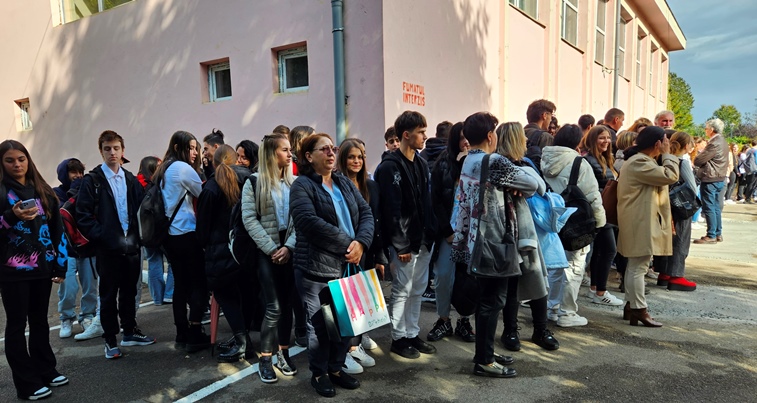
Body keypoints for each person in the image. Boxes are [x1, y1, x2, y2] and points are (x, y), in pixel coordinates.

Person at [450, 112, 539, 378]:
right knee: (493, 301)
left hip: (472, 240)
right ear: (491, 135)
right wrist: (515, 185)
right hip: (494, 241)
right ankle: (485, 361)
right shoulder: (495, 161)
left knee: (486, 301)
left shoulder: (468, 159)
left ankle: (484, 352)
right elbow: (532, 184)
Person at [290, 133, 373, 397]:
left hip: (347, 265)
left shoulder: (343, 182)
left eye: (332, 148)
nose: (330, 153)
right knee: (320, 328)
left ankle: (336, 368)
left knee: (346, 323)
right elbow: (308, 222)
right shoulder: (302, 186)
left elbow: (366, 213)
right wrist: (350, 245)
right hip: (316, 270)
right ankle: (319, 374)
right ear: (308, 156)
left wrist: (362, 243)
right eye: (323, 149)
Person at [76, 130, 156, 359]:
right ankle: (110, 339)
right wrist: (102, 236)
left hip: (131, 247)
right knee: (108, 295)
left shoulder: (130, 179)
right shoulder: (93, 181)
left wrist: (138, 237)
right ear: (101, 151)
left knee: (130, 292)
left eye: (116, 148)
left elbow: (141, 210)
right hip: (107, 248)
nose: (112, 152)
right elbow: (83, 215)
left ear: (123, 151)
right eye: (107, 148)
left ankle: (129, 331)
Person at [1, 140, 69, 400]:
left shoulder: (43, 190)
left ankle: (46, 370)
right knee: (17, 325)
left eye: (21, 159)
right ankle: (26, 383)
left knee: (40, 321)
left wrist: (60, 263)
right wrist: (11, 217)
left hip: (42, 267)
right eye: (9, 160)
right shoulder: (1, 192)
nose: (17, 165)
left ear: (28, 160)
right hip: (12, 271)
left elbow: (57, 229)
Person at [374, 111, 438, 360]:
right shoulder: (389, 167)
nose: (425, 136)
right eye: (421, 132)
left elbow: (426, 202)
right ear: (406, 135)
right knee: (402, 289)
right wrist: (400, 244)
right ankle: (399, 338)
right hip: (404, 242)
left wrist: (430, 233)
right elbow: (391, 210)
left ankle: (412, 333)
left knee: (418, 289)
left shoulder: (420, 163)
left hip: (423, 238)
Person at [495, 122, 560, 352]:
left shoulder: (525, 163)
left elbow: (537, 186)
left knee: (535, 277)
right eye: (522, 137)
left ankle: (540, 329)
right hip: (504, 229)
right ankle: (511, 331)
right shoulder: (496, 164)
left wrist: (520, 182)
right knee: (512, 281)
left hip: (528, 231)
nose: (526, 141)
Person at [241, 133, 298, 382]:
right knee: (273, 306)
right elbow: (249, 219)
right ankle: (265, 358)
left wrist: (289, 247)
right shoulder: (254, 182)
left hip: (289, 250)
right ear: (271, 154)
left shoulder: (295, 183)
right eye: (285, 150)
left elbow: (300, 219)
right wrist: (272, 248)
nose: (290, 154)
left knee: (287, 306)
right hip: (267, 252)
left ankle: (283, 354)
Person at [541, 124, 605, 327]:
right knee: (575, 266)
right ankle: (567, 313)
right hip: (576, 222)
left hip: (551, 220)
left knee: (555, 265)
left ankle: (551, 307)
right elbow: (592, 196)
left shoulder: (543, 160)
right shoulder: (579, 163)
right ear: (578, 141)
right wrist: (600, 221)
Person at [152, 130, 210, 353]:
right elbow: (203, 193)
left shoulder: (164, 168)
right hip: (186, 233)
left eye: (196, 148)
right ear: (178, 148)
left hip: (169, 235)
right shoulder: (182, 168)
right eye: (190, 148)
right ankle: (195, 332)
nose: (194, 153)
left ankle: (182, 332)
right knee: (199, 284)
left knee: (181, 285)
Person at [617, 126, 678, 327]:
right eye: (665, 142)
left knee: (636, 265)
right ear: (658, 143)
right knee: (639, 266)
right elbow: (670, 175)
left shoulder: (641, 161)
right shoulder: (639, 162)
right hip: (639, 220)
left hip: (639, 218)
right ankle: (638, 309)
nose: (667, 145)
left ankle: (631, 306)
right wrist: (668, 155)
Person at [197, 145, 253, 363]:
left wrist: (204, 245)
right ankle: (244, 338)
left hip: (219, 251)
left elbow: (203, 227)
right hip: (244, 249)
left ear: (214, 162)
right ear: (235, 160)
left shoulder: (211, 187)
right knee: (242, 295)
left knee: (225, 296)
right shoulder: (247, 180)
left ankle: (242, 342)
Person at [336, 138, 385, 372]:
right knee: (346, 300)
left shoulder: (371, 186)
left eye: (360, 157)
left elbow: (377, 222)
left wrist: (380, 257)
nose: (356, 161)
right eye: (351, 157)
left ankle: (356, 344)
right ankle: (346, 350)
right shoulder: (336, 184)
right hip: (343, 251)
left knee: (362, 299)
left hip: (366, 249)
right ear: (343, 159)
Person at [427, 122, 477, 343]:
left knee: (468, 279)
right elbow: (435, 200)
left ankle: (465, 320)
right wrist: (446, 231)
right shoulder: (443, 164)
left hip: (471, 234)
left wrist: (468, 164)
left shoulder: (479, 164)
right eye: (461, 138)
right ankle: (443, 319)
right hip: (448, 232)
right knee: (443, 276)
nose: (465, 142)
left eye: (469, 138)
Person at [52, 158, 99, 339]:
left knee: (90, 287)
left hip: (88, 246)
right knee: (68, 287)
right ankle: (66, 317)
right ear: (64, 174)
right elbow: (58, 216)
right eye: (73, 172)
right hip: (66, 249)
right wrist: (73, 193)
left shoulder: (87, 190)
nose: (78, 176)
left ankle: (87, 315)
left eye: (80, 172)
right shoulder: (55, 193)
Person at [582, 126, 623, 306]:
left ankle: (594, 288)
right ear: (592, 140)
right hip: (599, 210)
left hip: (607, 210)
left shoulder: (606, 159)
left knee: (599, 250)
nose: (606, 141)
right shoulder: (589, 161)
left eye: (607, 137)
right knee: (609, 250)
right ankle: (601, 292)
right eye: (601, 138)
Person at [655, 132, 697, 292]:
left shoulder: (662, 159)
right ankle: (676, 275)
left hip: (664, 204)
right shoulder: (682, 162)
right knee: (681, 239)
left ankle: (664, 273)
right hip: (680, 206)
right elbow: (692, 188)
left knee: (666, 238)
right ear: (686, 146)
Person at [137, 156, 174, 307]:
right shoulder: (157, 185)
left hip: (146, 232)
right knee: (173, 260)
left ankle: (157, 298)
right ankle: (169, 294)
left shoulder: (135, 184)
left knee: (153, 261)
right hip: (161, 230)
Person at [693, 119, 729, 244]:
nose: (705, 130)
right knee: (715, 207)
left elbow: (698, 160)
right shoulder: (722, 141)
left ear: (712, 129)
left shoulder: (714, 143)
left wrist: (698, 156)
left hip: (711, 177)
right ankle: (717, 233)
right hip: (719, 177)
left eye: (706, 128)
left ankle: (711, 234)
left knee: (709, 207)